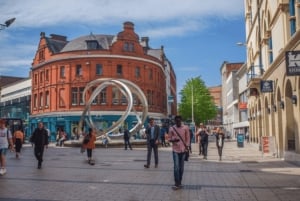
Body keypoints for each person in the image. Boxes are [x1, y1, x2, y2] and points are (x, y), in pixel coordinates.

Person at [168, 115, 190, 190]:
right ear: (175, 121)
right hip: (175, 150)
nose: (178, 122)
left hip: (183, 150)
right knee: (176, 167)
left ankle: (180, 181)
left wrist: (187, 147)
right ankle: (176, 183)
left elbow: (188, 138)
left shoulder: (185, 128)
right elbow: (169, 138)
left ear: (181, 121)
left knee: (181, 168)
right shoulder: (172, 128)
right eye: (176, 121)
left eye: (179, 121)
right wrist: (173, 140)